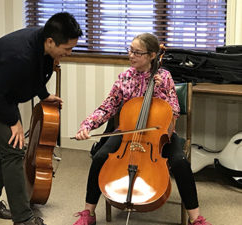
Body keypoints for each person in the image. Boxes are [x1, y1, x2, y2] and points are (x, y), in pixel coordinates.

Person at [73, 33, 212, 225]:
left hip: (160, 134)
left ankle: (195, 217)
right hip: (127, 133)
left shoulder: (164, 77)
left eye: (137, 52)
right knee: (99, 157)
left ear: (152, 55)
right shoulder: (124, 78)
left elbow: (174, 110)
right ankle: (88, 212)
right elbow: (107, 107)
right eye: (130, 50)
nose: (131, 55)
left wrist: (162, 91)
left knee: (180, 162)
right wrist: (87, 125)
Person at [0, 12, 82, 225]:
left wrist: (45, 96)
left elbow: (35, 74)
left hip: (2, 97)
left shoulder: (41, 45)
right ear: (50, 41)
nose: (69, 53)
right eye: (67, 49)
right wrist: (12, 122)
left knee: (10, 147)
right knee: (14, 151)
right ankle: (24, 218)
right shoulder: (20, 55)